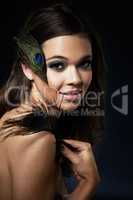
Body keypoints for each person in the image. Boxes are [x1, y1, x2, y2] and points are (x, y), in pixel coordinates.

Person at [0, 3, 105, 200]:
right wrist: (89, 184)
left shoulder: (13, 117)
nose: (76, 78)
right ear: (27, 69)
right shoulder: (38, 139)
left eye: (85, 63)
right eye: (58, 65)